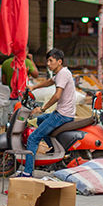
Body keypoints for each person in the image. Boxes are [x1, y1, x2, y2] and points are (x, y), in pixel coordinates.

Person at [16, 49, 76, 177]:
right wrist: (33, 87)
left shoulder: (63, 74)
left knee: (33, 138)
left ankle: (27, 172)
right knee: (40, 120)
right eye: (47, 61)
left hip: (62, 115)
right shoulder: (61, 73)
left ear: (59, 62)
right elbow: (50, 82)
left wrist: (42, 108)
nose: (48, 64)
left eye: (51, 61)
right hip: (64, 113)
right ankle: (55, 151)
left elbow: (57, 95)